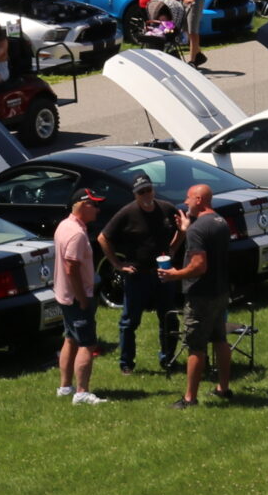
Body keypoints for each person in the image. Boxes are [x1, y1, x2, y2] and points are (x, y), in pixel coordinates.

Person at [100, 172, 179, 375]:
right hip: (137, 275)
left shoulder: (166, 209)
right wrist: (117, 264)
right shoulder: (127, 213)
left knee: (169, 317)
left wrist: (173, 248)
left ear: (153, 189)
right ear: (135, 194)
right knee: (129, 321)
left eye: (148, 190)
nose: (146, 195)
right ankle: (126, 362)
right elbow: (103, 237)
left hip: (163, 273)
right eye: (141, 192)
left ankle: (168, 358)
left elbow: (182, 226)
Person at [166, 183, 232, 408]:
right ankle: (223, 388)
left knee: (196, 346)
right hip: (221, 291)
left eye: (188, 198)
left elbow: (199, 266)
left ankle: (189, 398)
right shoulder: (220, 222)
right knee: (220, 340)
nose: (185, 203)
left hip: (201, 295)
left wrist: (175, 275)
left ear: (199, 200)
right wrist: (187, 229)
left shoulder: (197, 229)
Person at [51, 189, 105, 405]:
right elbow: (71, 267)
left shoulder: (64, 225)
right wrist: (82, 298)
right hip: (76, 297)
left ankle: (65, 387)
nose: (98, 210)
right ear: (83, 205)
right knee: (87, 343)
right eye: (94, 205)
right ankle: (82, 393)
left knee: (70, 338)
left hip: (64, 295)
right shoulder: (76, 234)